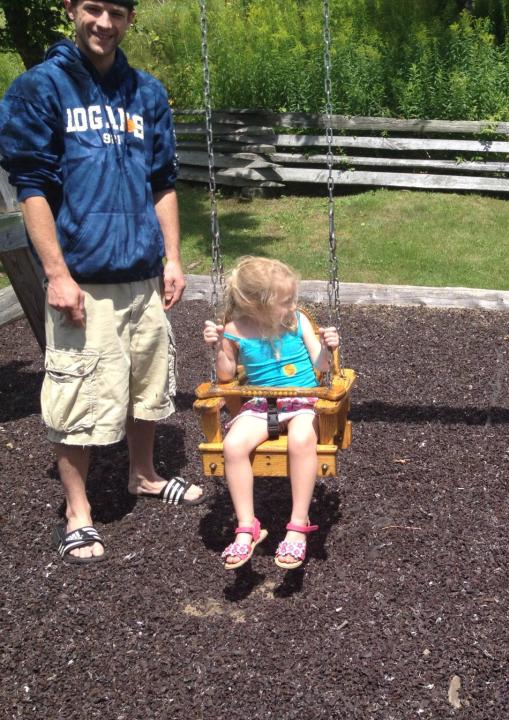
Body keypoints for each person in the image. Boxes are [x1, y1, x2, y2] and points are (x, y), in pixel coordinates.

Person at [0, 0, 205, 565]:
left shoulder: (147, 93)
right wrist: (56, 274)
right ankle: (78, 511)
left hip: (142, 274)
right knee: (76, 395)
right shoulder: (39, 87)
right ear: (72, 8)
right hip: (82, 281)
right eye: (93, 8)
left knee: (146, 383)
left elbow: (163, 181)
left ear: (130, 17)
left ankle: (143, 475)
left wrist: (172, 257)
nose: (104, 23)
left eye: (117, 11)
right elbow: (31, 186)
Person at [202, 256, 340, 571]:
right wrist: (219, 345)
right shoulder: (235, 330)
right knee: (233, 445)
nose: (294, 305)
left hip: (303, 400)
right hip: (261, 405)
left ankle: (297, 525)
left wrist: (328, 349)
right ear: (258, 305)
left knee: (302, 438)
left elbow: (321, 366)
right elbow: (224, 377)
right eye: (286, 301)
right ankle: (246, 526)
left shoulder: (298, 322)